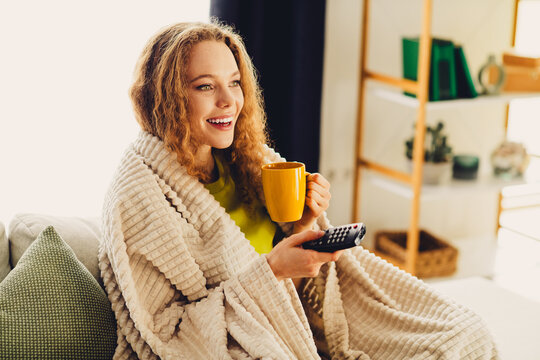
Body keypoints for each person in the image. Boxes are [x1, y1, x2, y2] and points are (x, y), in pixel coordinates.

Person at [99, 21, 497, 359]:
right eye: (205, 86)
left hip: (307, 312)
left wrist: (301, 224)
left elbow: (286, 253)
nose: (228, 101)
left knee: (463, 336)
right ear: (164, 95)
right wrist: (272, 273)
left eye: (234, 83)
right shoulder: (137, 195)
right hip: (249, 340)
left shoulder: (246, 157)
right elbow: (167, 333)